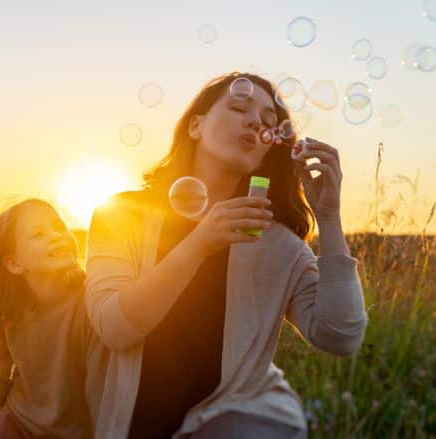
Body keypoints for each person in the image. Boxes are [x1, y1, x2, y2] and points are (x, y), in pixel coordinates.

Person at [84, 73, 368, 438]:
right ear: (195, 126)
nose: (256, 122)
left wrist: (329, 219)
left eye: (268, 122)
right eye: (239, 107)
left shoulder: (276, 244)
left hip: (228, 421)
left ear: (269, 146)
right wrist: (200, 242)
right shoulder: (121, 214)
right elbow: (114, 327)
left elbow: (339, 336)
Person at [0, 199, 102, 438]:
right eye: (38, 234)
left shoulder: (91, 302)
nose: (57, 236)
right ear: (14, 264)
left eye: (59, 227)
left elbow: (101, 391)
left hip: (76, 432)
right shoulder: (11, 312)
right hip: (18, 422)